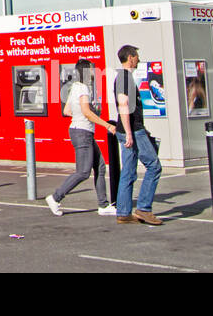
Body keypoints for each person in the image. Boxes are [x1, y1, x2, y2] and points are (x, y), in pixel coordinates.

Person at [46, 59, 118, 217]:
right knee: (83, 172)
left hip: (81, 131)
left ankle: (103, 205)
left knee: (99, 167)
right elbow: (86, 112)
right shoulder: (83, 88)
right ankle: (55, 197)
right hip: (82, 133)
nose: (94, 73)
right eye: (92, 70)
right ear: (86, 71)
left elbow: (67, 110)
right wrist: (107, 125)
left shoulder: (74, 87)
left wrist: (85, 112)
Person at [113, 45, 163, 226]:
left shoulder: (123, 77)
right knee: (154, 166)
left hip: (129, 129)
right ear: (131, 57)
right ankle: (144, 209)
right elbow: (123, 104)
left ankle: (124, 212)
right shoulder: (125, 78)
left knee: (128, 171)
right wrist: (129, 133)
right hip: (133, 130)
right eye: (137, 56)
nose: (139, 59)